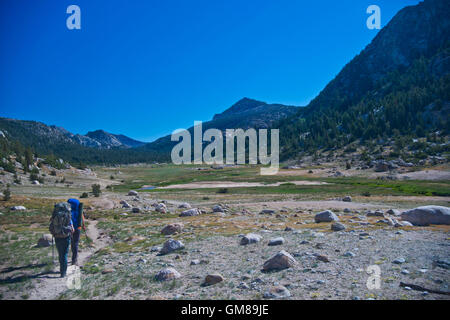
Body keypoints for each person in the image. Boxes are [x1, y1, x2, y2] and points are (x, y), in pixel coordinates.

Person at [49, 202, 74, 278]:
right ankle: (64, 272)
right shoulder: (68, 216)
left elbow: (51, 226)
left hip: (57, 236)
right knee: (65, 254)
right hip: (66, 236)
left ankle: (61, 271)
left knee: (60, 254)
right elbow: (72, 229)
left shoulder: (55, 216)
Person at [67, 198, 86, 265]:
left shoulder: (68, 211)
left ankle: (71, 258)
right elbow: (82, 218)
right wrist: (83, 226)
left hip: (70, 229)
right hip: (78, 228)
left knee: (71, 243)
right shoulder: (79, 210)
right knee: (75, 243)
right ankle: (74, 259)